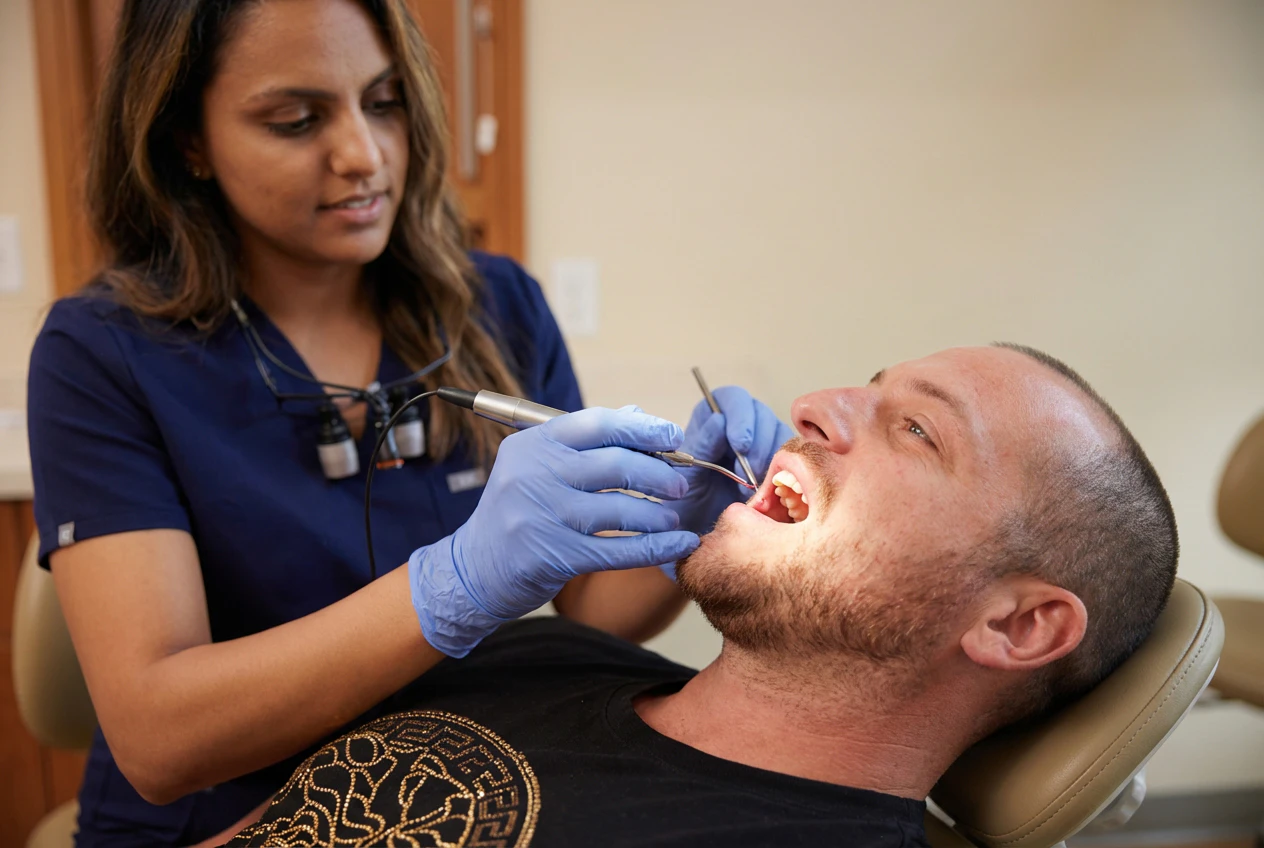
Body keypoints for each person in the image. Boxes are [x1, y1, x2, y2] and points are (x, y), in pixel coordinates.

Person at [24, 1, 790, 844]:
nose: (363, 155)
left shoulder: (494, 307)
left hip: (425, 795)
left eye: (384, 102)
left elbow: (592, 605)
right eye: (295, 120)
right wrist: (452, 586)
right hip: (214, 820)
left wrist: (684, 520)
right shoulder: (101, 353)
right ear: (188, 141)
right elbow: (159, 741)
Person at [220, 344, 1179, 848]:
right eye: (869, 381)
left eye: (917, 430)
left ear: (1017, 624)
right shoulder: (537, 653)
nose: (812, 407)